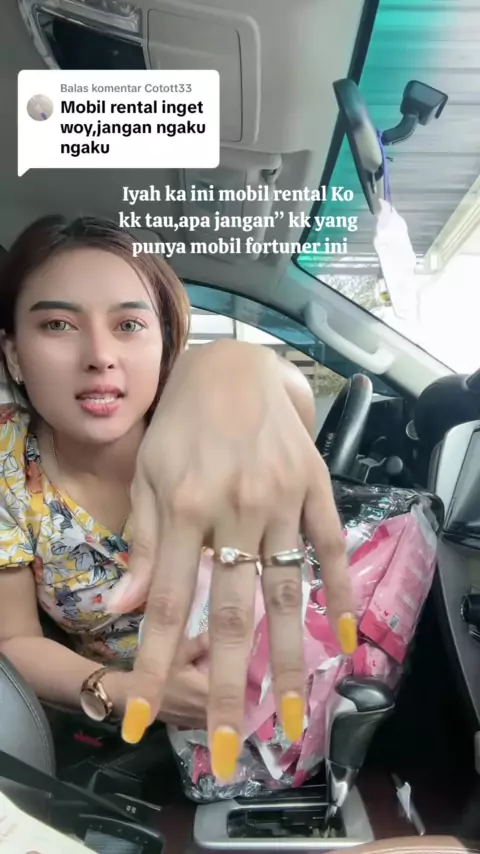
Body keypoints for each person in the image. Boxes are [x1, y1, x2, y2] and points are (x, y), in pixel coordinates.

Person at [0, 215, 356, 783]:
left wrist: (236, 363)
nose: (99, 355)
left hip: (284, 693)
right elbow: (14, 639)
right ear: (14, 353)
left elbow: (288, 398)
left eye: (129, 324)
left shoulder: (209, 420)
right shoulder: (7, 463)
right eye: (59, 324)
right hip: (124, 740)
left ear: (166, 343)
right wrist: (127, 692)